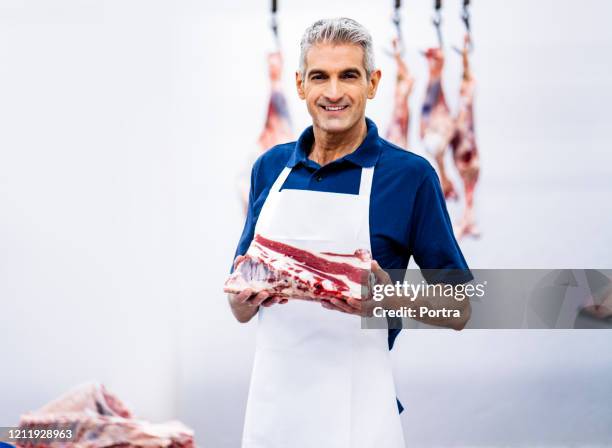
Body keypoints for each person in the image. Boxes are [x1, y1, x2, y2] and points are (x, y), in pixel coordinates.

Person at [228, 18, 473, 448]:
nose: (334, 92)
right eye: (320, 76)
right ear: (301, 85)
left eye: (349, 76)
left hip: (360, 419)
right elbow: (239, 305)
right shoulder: (270, 168)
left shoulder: (410, 177)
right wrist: (242, 297)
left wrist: (387, 296)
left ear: (373, 83)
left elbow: (461, 307)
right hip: (273, 417)